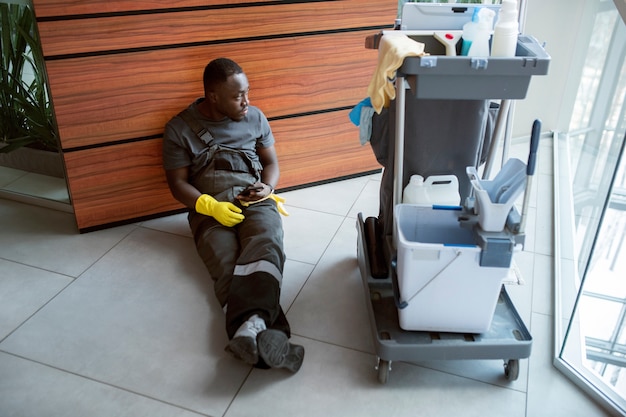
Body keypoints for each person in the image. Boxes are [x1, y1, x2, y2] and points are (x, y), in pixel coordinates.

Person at [162, 57, 304, 373]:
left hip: (254, 197)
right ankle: (266, 333)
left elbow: (272, 164)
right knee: (226, 261)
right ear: (213, 96)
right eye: (237, 96)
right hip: (207, 206)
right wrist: (209, 207)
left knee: (265, 245)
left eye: (247, 92)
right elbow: (177, 184)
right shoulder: (179, 129)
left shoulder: (255, 118)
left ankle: (248, 329)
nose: (246, 101)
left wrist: (267, 187)